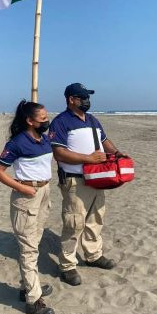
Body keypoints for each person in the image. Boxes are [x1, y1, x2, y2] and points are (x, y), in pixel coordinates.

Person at [49, 83, 129, 286]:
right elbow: (58, 152)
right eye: (82, 97)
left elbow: (105, 140)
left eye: (87, 97)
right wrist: (88, 159)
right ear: (71, 100)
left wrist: (116, 153)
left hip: (98, 178)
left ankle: (93, 255)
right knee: (74, 222)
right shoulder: (61, 122)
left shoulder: (93, 119)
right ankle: (67, 265)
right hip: (75, 179)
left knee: (96, 217)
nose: (86, 100)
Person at [0, 100, 56, 314]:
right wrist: (21, 187)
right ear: (29, 121)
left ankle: (27, 287)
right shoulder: (17, 143)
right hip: (26, 196)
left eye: (47, 117)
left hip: (43, 192)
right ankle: (34, 302)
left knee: (34, 243)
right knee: (29, 248)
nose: (47, 121)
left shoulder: (44, 138)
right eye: (43, 119)